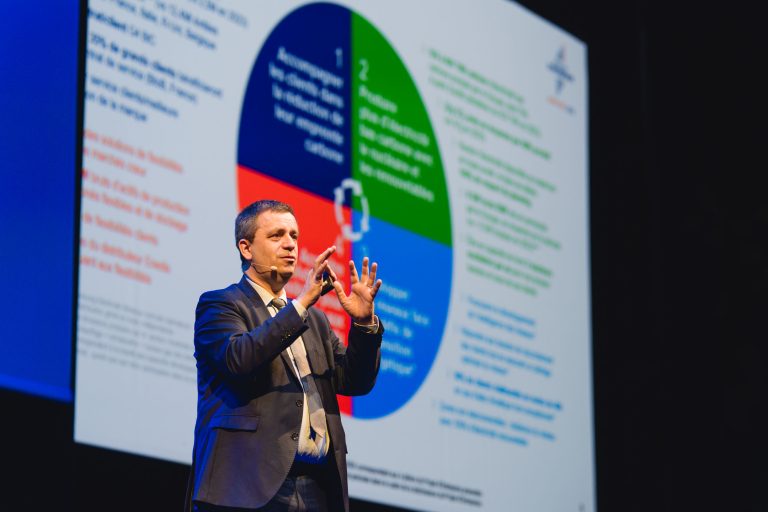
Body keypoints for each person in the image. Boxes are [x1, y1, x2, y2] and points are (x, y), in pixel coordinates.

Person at [187, 200, 383, 511]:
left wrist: (363, 325)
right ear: (246, 248)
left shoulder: (314, 321)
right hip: (247, 486)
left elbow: (354, 382)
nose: (290, 244)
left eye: (294, 235)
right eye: (277, 235)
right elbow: (239, 358)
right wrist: (300, 305)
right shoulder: (221, 305)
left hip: (317, 488)